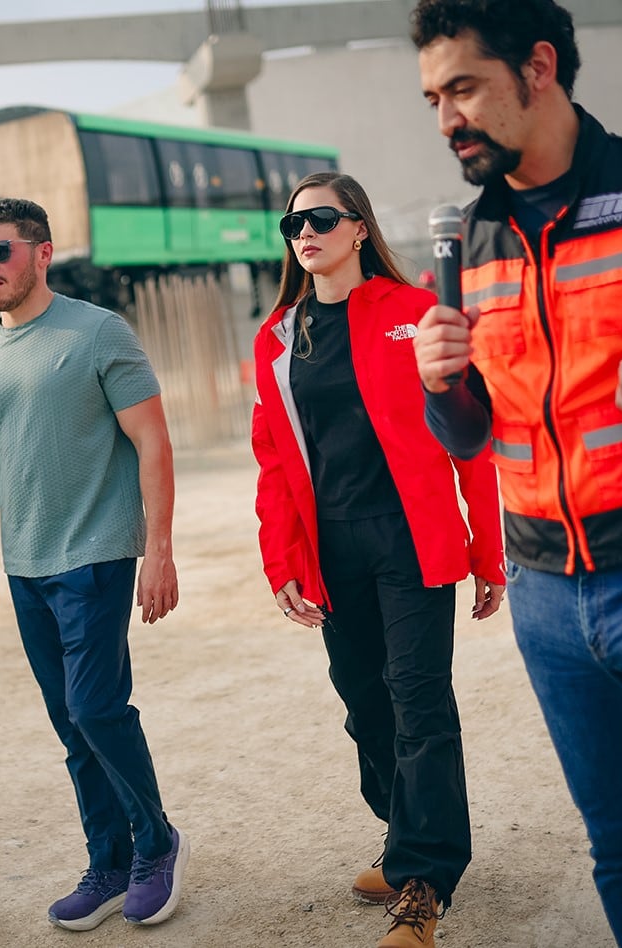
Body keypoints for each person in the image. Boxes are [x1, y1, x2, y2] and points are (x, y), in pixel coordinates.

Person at [410, 2, 622, 945]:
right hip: (548, 601)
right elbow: (471, 435)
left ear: (538, 68)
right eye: (433, 98)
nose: (445, 121)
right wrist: (440, 387)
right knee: (619, 856)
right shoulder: (467, 240)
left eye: (463, 88)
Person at [250, 172, 505, 948]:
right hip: (333, 546)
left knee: (420, 701)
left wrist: (489, 552)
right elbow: (273, 461)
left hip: (410, 538)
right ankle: (407, 841)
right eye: (292, 223)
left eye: (321, 218)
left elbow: (469, 434)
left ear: (359, 228)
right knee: (366, 705)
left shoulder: (417, 314)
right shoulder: (278, 336)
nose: (304, 233)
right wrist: (282, 561)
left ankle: (425, 881)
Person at [0, 198, 186, 932]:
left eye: (1, 251)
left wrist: (160, 551)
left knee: (95, 708)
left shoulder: (98, 331)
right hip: (27, 566)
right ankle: (107, 860)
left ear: (41, 254)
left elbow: (154, 444)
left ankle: (156, 843)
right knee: (69, 724)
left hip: (99, 554)